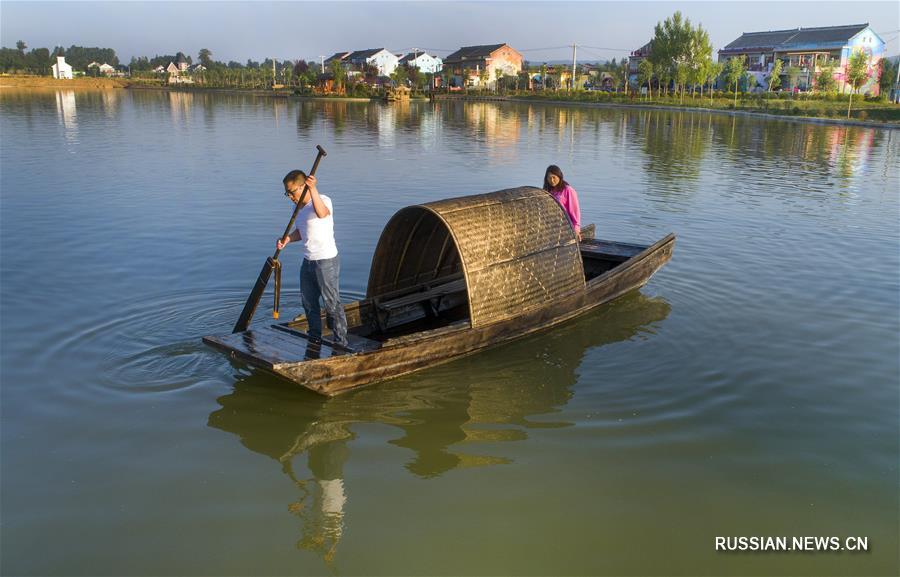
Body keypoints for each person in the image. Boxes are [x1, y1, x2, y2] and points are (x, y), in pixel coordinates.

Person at [277, 170, 348, 346]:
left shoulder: (323, 200)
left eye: (291, 192)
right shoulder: (296, 207)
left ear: (303, 187)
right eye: (287, 193)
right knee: (308, 302)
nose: (290, 197)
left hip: (326, 261)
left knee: (332, 304)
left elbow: (322, 213)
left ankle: (340, 342)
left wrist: (313, 189)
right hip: (307, 261)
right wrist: (287, 239)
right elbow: (302, 232)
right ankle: (314, 337)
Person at [542, 165, 582, 241]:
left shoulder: (568, 190)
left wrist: (576, 230)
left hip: (565, 227)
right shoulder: (548, 191)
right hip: (552, 227)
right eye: (549, 178)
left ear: (559, 176)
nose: (552, 180)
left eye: (554, 177)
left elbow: (575, 212)